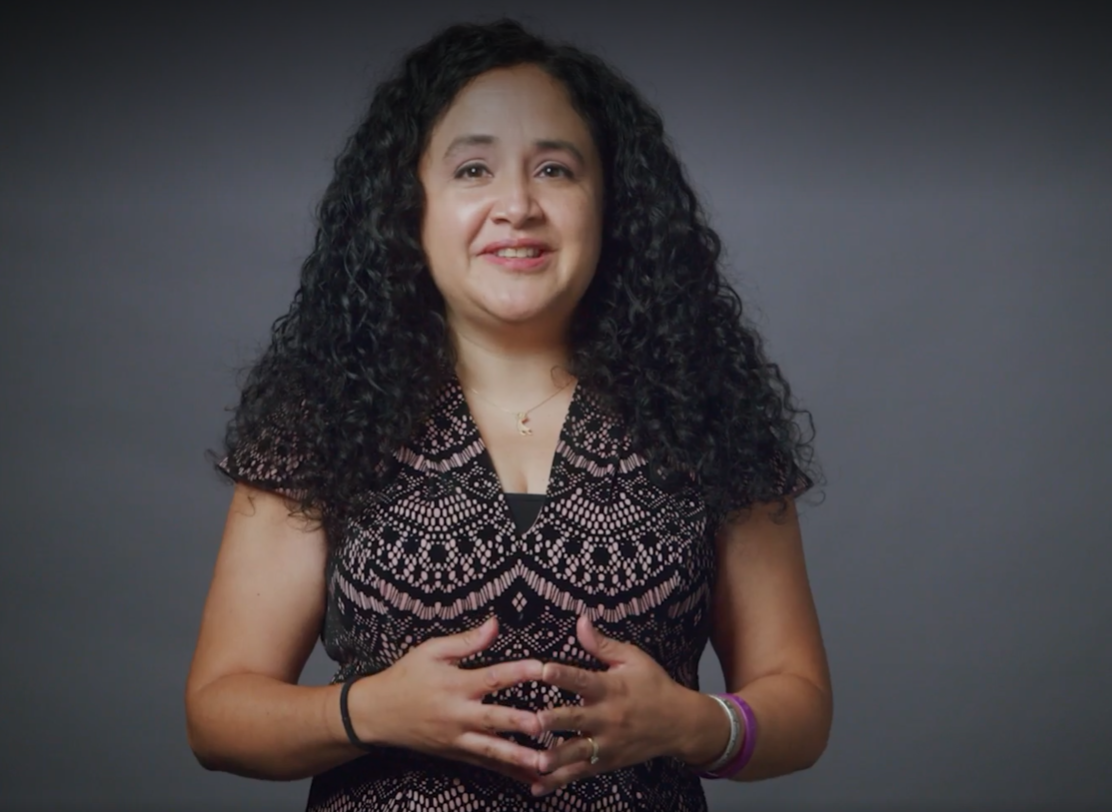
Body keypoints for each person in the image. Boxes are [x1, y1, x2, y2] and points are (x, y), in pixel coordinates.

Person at [184, 17, 830, 812]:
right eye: (473, 169)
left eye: (555, 169)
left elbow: (800, 706)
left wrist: (693, 723)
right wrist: (364, 711)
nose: (517, 205)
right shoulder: (323, 417)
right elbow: (217, 716)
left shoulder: (707, 413)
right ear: (407, 203)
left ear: (610, 204)